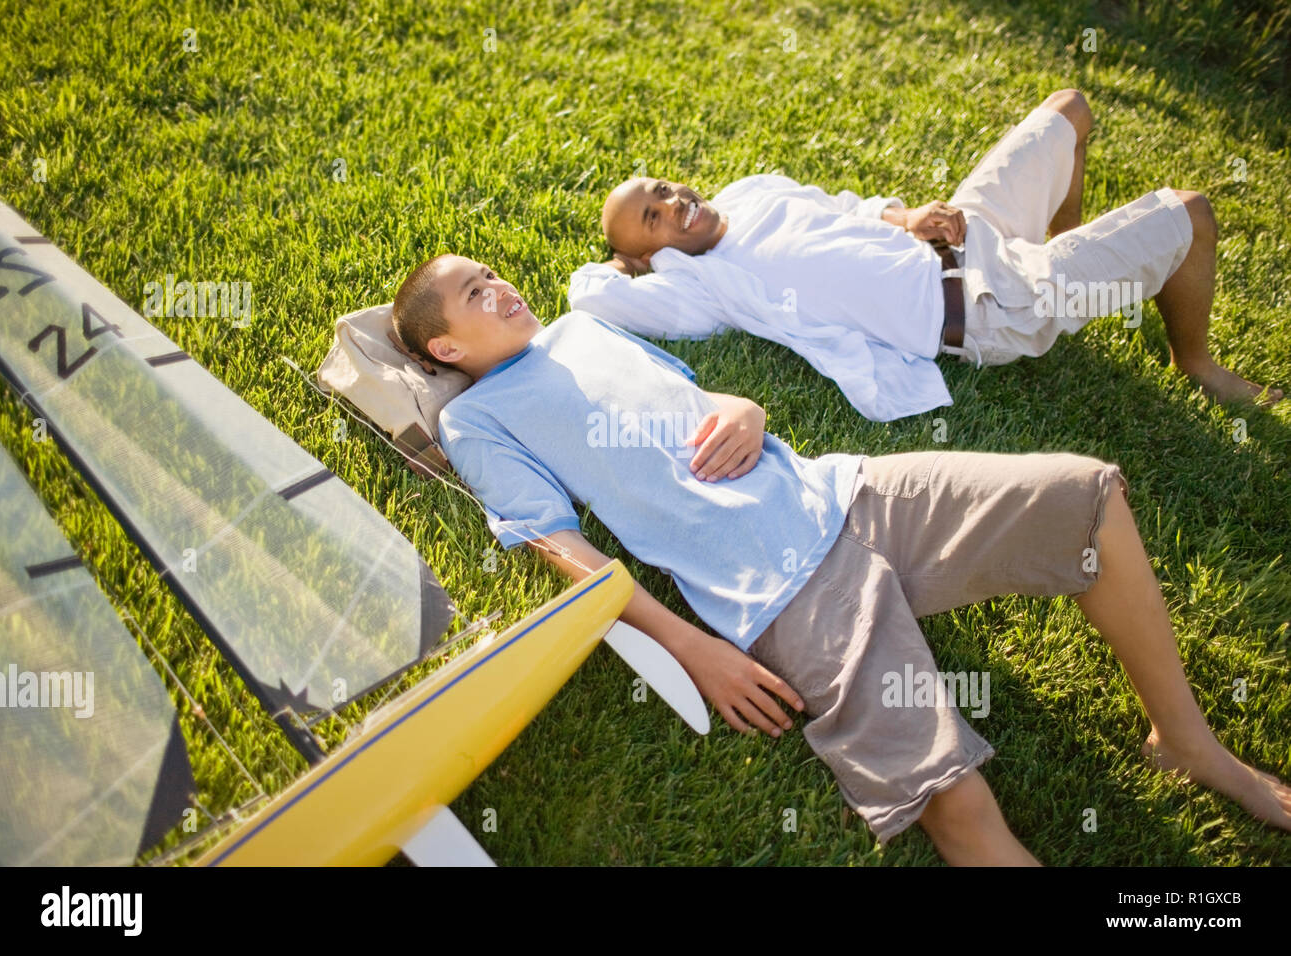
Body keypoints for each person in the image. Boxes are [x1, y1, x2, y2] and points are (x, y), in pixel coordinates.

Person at [392, 252, 1291, 864]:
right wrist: (692, 648)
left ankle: (1186, 740)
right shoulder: (479, 421)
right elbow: (561, 545)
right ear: (447, 349)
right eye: (474, 294)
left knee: (1089, 495)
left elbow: (701, 398)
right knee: (959, 802)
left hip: (848, 492)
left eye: (493, 275)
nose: (500, 288)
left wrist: (750, 411)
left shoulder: (583, 332)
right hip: (781, 592)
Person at [568, 89, 1282, 421]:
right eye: (652, 222)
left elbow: (840, 209)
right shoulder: (706, 284)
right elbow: (590, 294)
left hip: (969, 233)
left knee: (1071, 109)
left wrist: (906, 217)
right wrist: (632, 264)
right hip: (991, 307)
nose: (673, 206)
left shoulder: (750, 191)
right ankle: (1195, 361)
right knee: (1191, 212)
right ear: (650, 257)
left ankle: (1065, 247)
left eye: (661, 190)